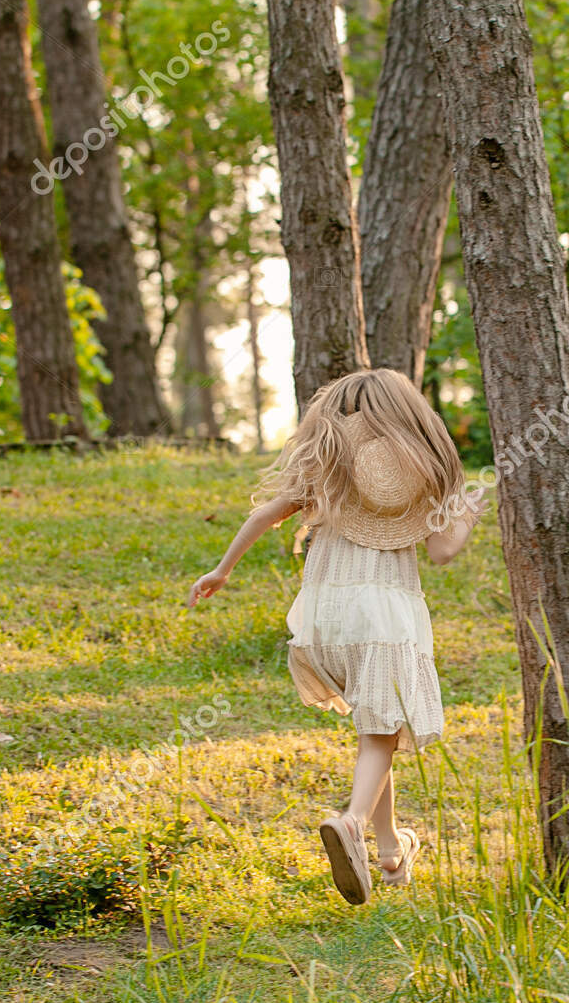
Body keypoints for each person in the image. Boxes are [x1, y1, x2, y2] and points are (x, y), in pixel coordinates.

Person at [187, 368, 483, 905]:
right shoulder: (421, 470)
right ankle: (351, 822)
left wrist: (222, 570)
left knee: (375, 727)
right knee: (384, 731)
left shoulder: (332, 461)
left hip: (323, 620)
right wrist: (467, 517)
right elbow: (441, 552)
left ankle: (391, 852)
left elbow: (269, 511)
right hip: (384, 619)